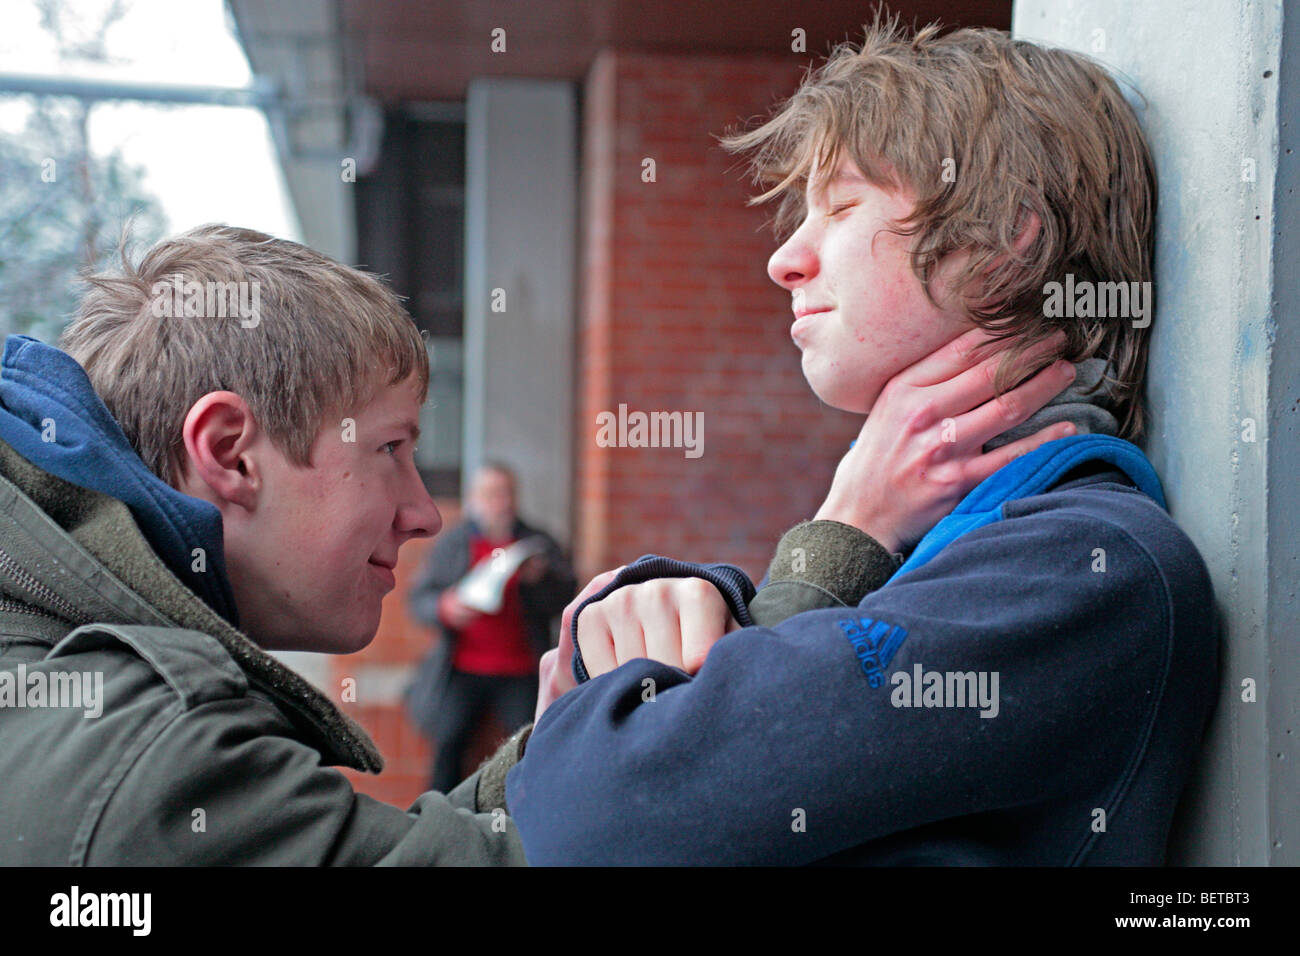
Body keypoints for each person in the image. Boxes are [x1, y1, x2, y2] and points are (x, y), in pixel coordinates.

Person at [507, 17, 1219, 865]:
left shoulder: (1082, 568)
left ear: (1003, 242)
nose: (784, 259)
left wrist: (599, 711)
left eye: (841, 206)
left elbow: (591, 825)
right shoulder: (966, 543)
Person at [0, 225, 529, 865]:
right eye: (389, 448)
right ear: (231, 455)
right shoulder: (149, 759)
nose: (423, 515)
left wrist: (560, 739)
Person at [407, 463, 575, 792]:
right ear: (474, 499)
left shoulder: (537, 543)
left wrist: (540, 581)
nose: (500, 502)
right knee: (448, 741)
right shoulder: (454, 543)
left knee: (531, 743)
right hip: (462, 667)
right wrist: (444, 607)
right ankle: (434, 821)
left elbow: (568, 596)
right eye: (491, 494)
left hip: (520, 667)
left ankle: (529, 816)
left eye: (506, 493)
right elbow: (420, 598)